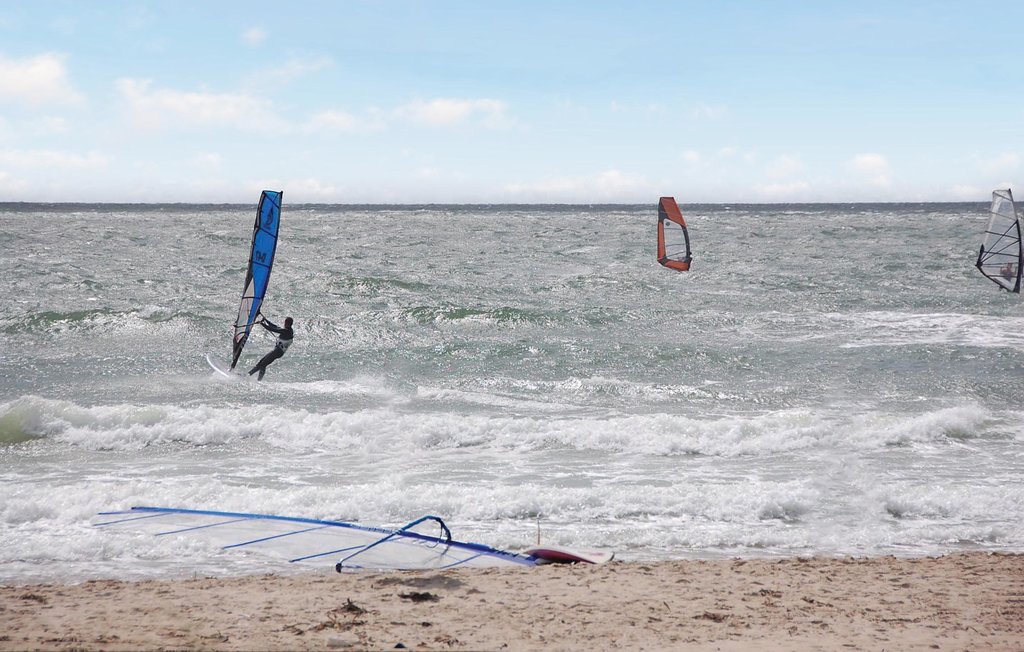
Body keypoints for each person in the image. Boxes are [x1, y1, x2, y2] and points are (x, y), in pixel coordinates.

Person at [248, 315, 294, 381]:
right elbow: (275, 326)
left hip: (278, 351)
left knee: (263, 364)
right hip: (277, 351)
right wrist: (266, 320)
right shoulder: (287, 330)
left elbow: (273, 329)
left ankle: (253, 377)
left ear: (286, 322)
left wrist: (262, 324)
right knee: (261, 363)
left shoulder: (287, 331)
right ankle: (253, 377)